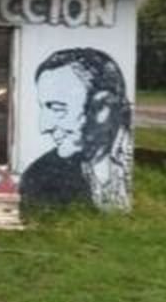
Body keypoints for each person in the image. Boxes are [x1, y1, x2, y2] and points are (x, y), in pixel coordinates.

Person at [20, 48, 132, 212]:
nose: (44, 127)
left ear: (103, 108)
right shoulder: (40, 176)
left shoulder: (144, 170)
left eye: (58, 109)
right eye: (44, 108)